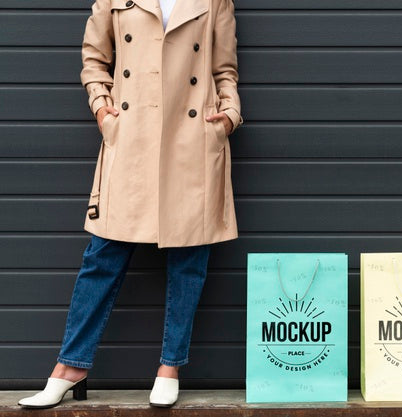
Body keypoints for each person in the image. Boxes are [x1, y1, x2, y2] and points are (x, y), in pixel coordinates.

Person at [18, 0, 243, 409]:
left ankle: (170, 366)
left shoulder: (214, 2)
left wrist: (228, 114)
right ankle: (70, 367)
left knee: (189, 257)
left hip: (191, 135)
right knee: (103, 254)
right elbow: (94, 59)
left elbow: (223, 69)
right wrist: (104, 111)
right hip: (132, 134)